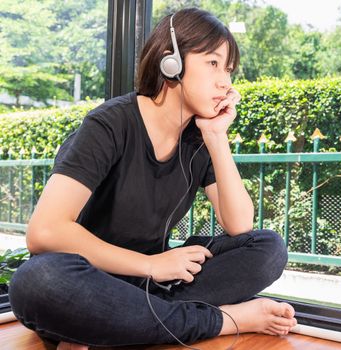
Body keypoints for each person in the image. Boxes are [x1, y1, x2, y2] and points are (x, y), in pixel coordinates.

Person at [8, 7, 297, 350]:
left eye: (229, 69)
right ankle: (226, 320)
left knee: (268, 248)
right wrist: (150, 264)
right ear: (170, 62)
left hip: (150, 287)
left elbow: (240, 224)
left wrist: (216, 137)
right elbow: (44, 231)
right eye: (213, 63)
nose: (226, 81)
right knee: (37, 280)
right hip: (88, 276)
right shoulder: (109, 125)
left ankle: (107, 326)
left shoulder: (197, 139)